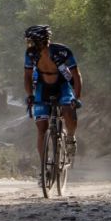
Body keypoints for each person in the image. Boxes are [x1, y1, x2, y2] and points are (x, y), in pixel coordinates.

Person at [23, 25, 82, 167]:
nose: (29, 44)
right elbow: (27, 76)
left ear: (41, 41)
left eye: (31, 41)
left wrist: (76, 97)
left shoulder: (62, 52)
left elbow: (76, 75)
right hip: (43, 87)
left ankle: (70, 138)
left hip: (62, 85)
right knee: (41, 128)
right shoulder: (31, 53)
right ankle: (43, 167)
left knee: (68, 110)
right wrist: (30, 95)